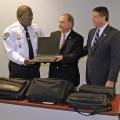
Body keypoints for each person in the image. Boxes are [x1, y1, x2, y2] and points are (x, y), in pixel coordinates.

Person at [3, 5, 44, 79]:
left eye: (32, 16)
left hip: (34, 67)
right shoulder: (10, 31)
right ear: (19, 18)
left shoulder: (36, 28)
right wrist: (23, 61)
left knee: (35, 89)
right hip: (18, 68)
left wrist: (45, 56)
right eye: (28, 16)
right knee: (20, 90)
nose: (31, 18)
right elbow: (11, 52)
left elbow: (43, 44)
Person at [83, 6, 120, 87]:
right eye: (92, 16)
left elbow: (116, 59)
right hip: (90, 76)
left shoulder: (114, 34)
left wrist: (111, 79)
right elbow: (88, 49)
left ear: (103, 17)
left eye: (95, 16)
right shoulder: (92, 32)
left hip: (104, 79)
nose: (92, 19)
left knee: (104, 100)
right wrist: (68, 55)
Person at [49, 13, 84, 87]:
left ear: (70, 24)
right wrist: (45, 56)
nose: (59, 24)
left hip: (68, 78)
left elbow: (77, 54)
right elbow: (51, 52)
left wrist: (64, 58)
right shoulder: (53, 34)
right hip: (53, 76)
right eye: (59, 22)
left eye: (62, 22)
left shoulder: (78, 38)